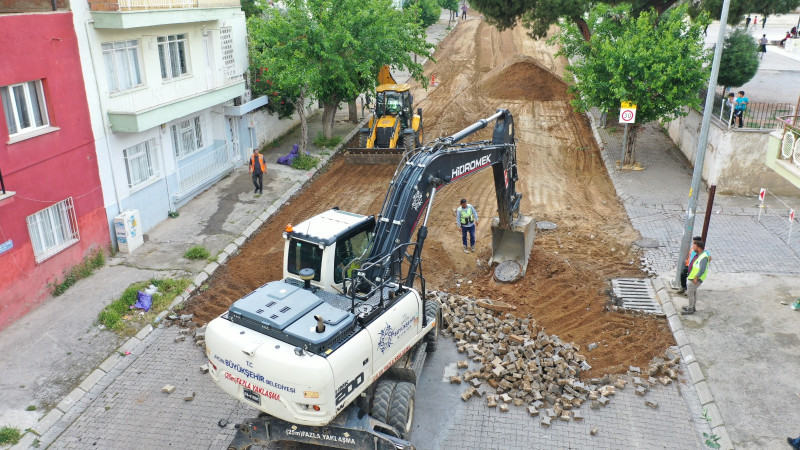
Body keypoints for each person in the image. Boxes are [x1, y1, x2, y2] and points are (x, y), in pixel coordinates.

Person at [682, 240, 710, 315]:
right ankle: (692, 307)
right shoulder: (699, 255)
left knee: (690, 293)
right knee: (693, 292)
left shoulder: (703, 257)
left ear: (699, 248)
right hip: (692, 277)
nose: (693, 247)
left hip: (695, 278)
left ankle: (690, 308)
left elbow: (702, 269)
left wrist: (696, 277)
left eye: (694, 246)